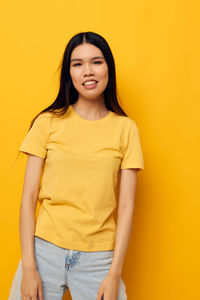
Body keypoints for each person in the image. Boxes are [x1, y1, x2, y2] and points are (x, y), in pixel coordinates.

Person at [8, 31, 144, 300]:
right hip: (43, 252)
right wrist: (29, 267)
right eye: (77, 64)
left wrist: (114, 272)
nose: (88, 71)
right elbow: (28, 198)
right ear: (69, 73)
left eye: (97, 62)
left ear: (109, 68)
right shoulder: (47, 123)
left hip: (99, 259)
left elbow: (127, 206)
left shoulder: (125, 129)